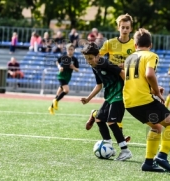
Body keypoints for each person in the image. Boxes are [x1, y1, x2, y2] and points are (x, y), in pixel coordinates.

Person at [123, 28, 170, 174]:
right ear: (150, 44)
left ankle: (148, 163)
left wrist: (153, 88)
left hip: (129, 102)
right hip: (143, 101)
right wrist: (156, 92)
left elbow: (138, 79)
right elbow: (149, 74)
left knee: (157, 127)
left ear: (135, 45)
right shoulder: (151, 55)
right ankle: (162, 156)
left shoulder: (129, 58)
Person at [84, 13, 135, 142]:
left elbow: (138, 61)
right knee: (119, 108)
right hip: (114, 81)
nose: (124, 30)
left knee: (121, 108)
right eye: (122, 27)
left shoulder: (134, 45)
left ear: (131, 29)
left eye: (127, 27)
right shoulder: (110, 43)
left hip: (127, 78)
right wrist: (110, 68)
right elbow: (97, 56)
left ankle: (96, 114)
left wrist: (127, 64)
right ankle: (120, 138)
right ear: (118, 27)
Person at [80, 42, 132, 161]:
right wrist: (88, 99)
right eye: (86, 59)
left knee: (111, 122)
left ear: (98, 56)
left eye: (90, 58)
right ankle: (109, 146)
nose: (88, 61)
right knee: (99, 119)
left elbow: (121, 73)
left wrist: (129, 90)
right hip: (110, 96)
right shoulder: (94, 66)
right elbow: (99, 85)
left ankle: (125, 151)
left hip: (119, 94)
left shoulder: (105, 63)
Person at [48, 43, 79, 115]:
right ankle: (56, 101)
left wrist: (73, 68)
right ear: (66, 50)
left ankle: (51, 107)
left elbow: (77, 69)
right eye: (69, 49)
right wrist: (59, 67)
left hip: (68, 77)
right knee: (66, 90)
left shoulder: (75, 59)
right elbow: (57, 62)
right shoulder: (64, 57)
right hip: (61, 76)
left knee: (58, 93)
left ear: (74, 50)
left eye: (72, 49)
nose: (70, 51)